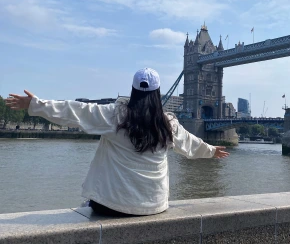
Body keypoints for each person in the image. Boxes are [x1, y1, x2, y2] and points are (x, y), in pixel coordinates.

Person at [5, 68, 229, 216]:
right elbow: (189, 144)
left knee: (87, 207)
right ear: (158, 93)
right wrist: (211, 151)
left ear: (133, 90)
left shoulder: (116, 116)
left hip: (113, 205)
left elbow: (76, 111)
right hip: (154, 206)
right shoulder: (168, 123)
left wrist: (35, 105)